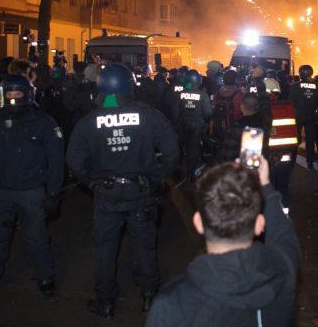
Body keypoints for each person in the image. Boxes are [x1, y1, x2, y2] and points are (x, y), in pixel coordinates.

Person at [66, 64, 179, 318]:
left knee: (105, 248)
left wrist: (91, 182)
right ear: (130, 85)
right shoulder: (149, 115)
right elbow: (172, 152)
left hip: (106, 194)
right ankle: (148, 296)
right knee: (144, 245)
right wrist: (158, 180)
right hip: (141, 191)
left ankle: (105, 302)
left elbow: (74, 159)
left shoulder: (89, 120)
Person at [146, 159, 300, 327]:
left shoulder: (170, 305)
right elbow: (283, 234)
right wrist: (265, 185)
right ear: (259, 225)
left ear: (198, 223)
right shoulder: (283, 273)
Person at [0, 75, 64, 300]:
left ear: (28, 95)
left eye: (17, 94)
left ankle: (45, 277)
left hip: (32, 192)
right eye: (8, 94)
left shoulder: (43, 122)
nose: (13, 98)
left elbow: (56, 160)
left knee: (37, 238)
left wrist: (53, 193)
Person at [176, 69, 211, 182]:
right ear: (198, 81)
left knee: (180, 147)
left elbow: (175, 111)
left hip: (181, 125)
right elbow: (208, 113)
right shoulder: (202, 95)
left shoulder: (180, 93)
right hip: (196, 127)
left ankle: (178, 168)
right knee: (193, 150)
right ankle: (191, 174)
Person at [289, 65, 318, 169]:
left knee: (294, 139)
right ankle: (310, 162)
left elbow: (291, 102)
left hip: (298, 115)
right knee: (310, 139)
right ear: (311, 73)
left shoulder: (294, 86)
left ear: (300, 74)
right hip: (311, 116)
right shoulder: (317, 86)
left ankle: (292, 159)